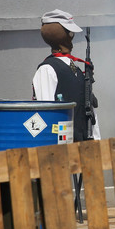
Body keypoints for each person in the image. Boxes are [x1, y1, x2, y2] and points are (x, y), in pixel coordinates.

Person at [32, 9, 100, 141]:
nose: (72, 37)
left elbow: (90, 112)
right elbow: (45, 112)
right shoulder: (47, 69)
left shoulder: (77, 70)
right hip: (60, 149)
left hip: (83, 146)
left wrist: (96, 140)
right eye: (70, 33)